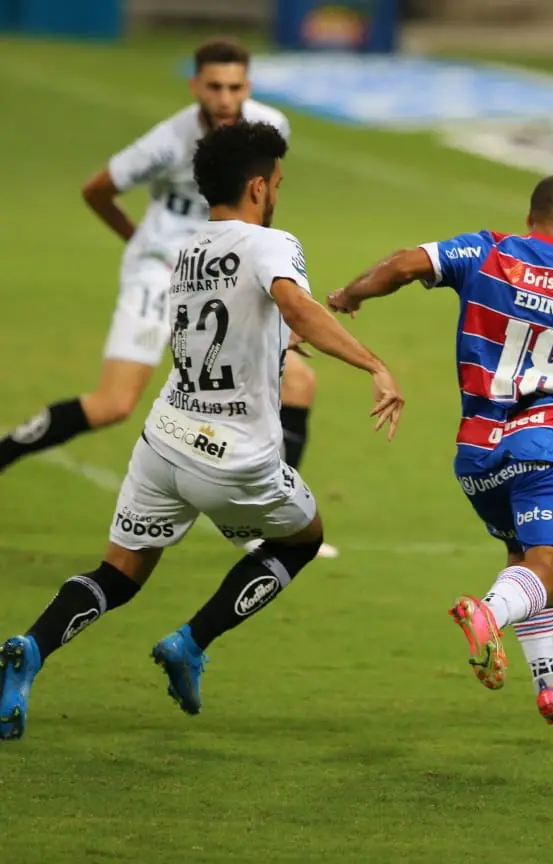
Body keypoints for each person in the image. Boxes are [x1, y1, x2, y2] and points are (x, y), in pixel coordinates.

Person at [0, 122, 404, 741]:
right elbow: (292, 303)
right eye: (278, 183)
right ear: (258, 186)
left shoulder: (189, 248)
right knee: (299, 542)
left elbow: (234, 321)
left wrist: (278, 338)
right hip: (234, 455)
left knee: (117, 574)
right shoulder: (272, 243)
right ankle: (191, 642)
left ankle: (32, 647)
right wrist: (374, 364)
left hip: (162, 441)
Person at [328, 174, 553, 725]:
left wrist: (351, 293)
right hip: (552, 446)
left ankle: (550, 682)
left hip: (478, 458)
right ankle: (488, 616)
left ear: (531, 218)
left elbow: (402, 264)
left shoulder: (486, 251)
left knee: (526, 560)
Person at [0, 38, 337, 558]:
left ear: (248, 86)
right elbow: (97, 189)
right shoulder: (166, 142)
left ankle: (269, 516)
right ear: (195, 86)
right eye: (214, 87)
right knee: (113, 404)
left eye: (235, 87)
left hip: (227, 273)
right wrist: (141, 242)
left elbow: (263, 210)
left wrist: (275, 293)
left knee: (298, 383)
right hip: (160, 273)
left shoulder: (269, 131)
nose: (225, 98)